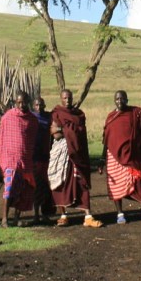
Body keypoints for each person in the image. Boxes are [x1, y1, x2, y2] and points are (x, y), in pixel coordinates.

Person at [102, 90, 141, 224]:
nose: (119, 101)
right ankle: (120, 214)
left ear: (127, 100)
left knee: (138, 181)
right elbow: (106, 140)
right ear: (114, 101)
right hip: (113, 157)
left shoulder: (136, 113)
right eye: (117, 99)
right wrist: (102, 159)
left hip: (131, 155)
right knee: (115, 185)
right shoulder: (111, 117)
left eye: (122, 99)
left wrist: (139, 143)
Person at [49, 89, 102, 228]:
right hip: (63, 153)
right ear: (61, 99)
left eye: (70, 98)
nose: (67, 100)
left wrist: (64, 129)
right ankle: (63, 215)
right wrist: (68, 130)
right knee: (62, 181)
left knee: (81, 182)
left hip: (78, 153)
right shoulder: (57, 113)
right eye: (65, 98)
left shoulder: (78, 114)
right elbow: (55, 135)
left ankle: (88, 216)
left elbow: (79, 132)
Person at [0, 91, 38, 227]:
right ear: (15, 102)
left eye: (24, 102)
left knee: (24, 189)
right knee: (9, 188)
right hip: (10, 160)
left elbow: (32, 141)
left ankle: (16, 218)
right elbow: (1, 140)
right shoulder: (8, 118)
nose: (22, 105)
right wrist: (2, 159)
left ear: (28, 102)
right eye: (19, 102)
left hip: (25, 159)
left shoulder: (32, 120)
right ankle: (4, 220)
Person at [31, 96, 55, 223]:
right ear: (33, 106)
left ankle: (45, 213)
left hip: (46, 156)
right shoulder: (30, 117)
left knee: (46, 185)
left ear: (44, 106)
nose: (39, 107)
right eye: (36, 105)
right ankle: (35, 214)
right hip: (33, 157)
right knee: (36, 186)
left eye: (41, 105)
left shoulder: (48, 117)